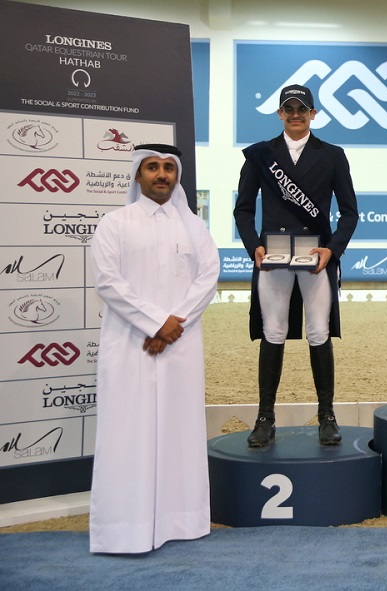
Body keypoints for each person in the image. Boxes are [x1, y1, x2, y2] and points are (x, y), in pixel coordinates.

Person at [89, 144, 220, 553]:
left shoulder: (194, 226)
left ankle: (182, 521)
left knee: (180, 432)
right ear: (137, 174)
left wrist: (171, 325)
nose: (161, 175)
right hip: (130, 344)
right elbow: (108, 281)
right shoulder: (115, 223)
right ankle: (122, 529)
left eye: (168, 168)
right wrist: (155, 323)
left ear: (176, 175)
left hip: (180, 345)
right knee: (126, 433)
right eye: (152, 167)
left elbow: (208, 278)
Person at [234, 84, 359, 448]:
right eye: (288, 109)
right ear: (280, 114)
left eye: (301, 109)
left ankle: (327, 416)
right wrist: (254, 246)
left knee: (318, 331)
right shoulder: (260, 155)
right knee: (273, 332)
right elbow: (243, 209)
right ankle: (265, 417)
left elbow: (349, 213)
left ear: (312, 114)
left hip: (314, 258)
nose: (295, 114)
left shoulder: (333, 155)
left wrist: (332, 250)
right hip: (273, 260)